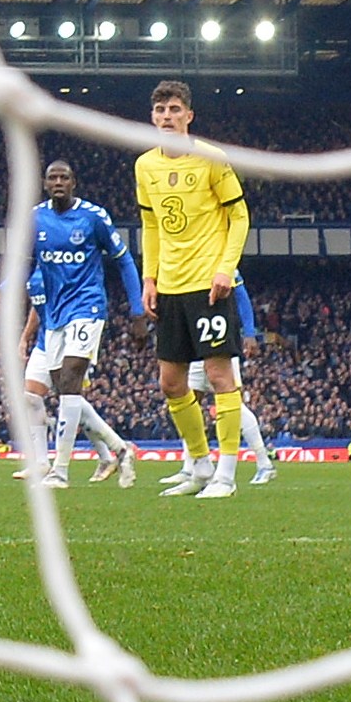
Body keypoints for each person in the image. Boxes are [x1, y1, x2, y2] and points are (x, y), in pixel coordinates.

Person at [0, 158, 144, 489]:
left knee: (70, 382)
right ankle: (118, 449)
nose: (58, 182)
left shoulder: (93, 217)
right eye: (52, 178)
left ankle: (59, 470)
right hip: (55, 318)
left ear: (74, 183)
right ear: (45, 184)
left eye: (64, 177)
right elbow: (22, 264)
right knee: (58, 391)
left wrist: (137, 311)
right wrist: (2, 291)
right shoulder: (35, 219)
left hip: (87, 308)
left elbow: (124, 260)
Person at [137, 80, 251, 500]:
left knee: (220, 376)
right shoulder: (144, 165)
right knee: (171, 383)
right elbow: (151, 225)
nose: (166, 117)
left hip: (208, 286)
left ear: (189, 115)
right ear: (152, 118)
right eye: (160, 110)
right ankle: (199, 464)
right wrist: (149, 278)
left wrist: (226, 269)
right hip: (169, 287)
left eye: (174, 109)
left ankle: (226, 473)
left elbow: (240, 218)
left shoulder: (212, 160)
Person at [186, 279, 274, 485]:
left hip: (219, 337)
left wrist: (250, 333)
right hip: (197, 340)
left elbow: (241, 296)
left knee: (233, 402)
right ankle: (190, 467)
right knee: (190, 402)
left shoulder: (218, 258)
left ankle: (264, 463)